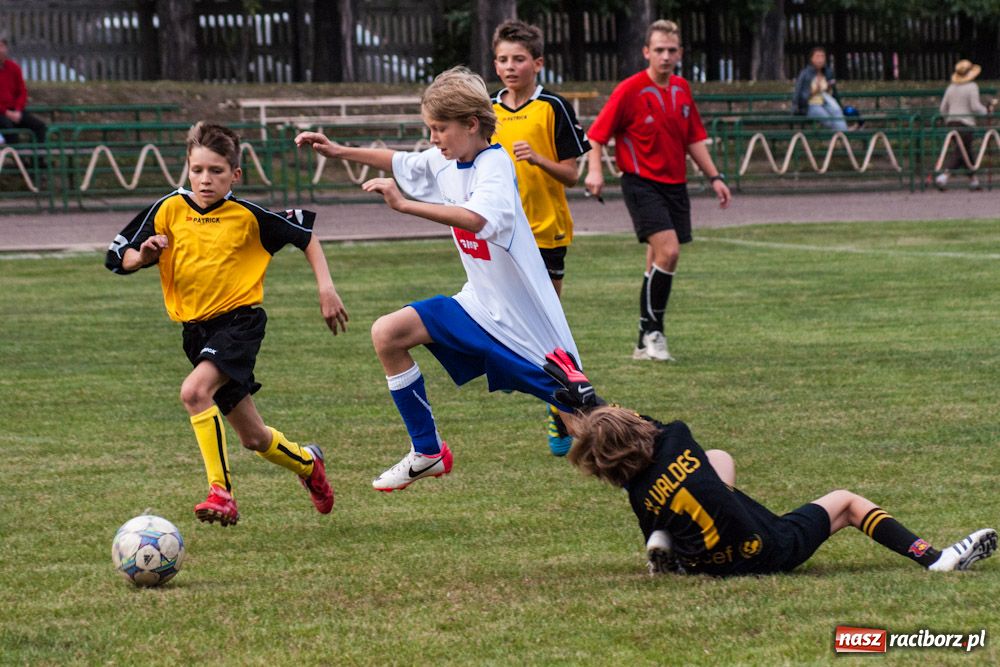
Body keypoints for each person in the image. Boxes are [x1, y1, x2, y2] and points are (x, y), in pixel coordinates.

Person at [295, 66, 584, 492]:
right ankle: (428, 452)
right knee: (388, 334)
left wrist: (405, 207)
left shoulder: (495, 166)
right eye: (429, 128)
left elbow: (475, 217)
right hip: (477, 307)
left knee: (595, 432)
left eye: (439, 129)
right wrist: (338, 152)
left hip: (528, 333)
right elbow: (401, 162)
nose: (433, 139)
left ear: (471, 124)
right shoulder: (448, 158)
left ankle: (670, 474)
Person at [541, 348, 998, 576]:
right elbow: (630, 424)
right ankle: (935, 559)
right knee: (847, 501)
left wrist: (559, 403)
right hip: (767, 548)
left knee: (717, 463)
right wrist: (588, 393)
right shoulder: (676, 438)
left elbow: (604, 439)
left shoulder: (635, 491)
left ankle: (669, 546)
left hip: (706, 563)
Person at [105, 122, 347, 526]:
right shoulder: (169, 209)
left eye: (216, 171)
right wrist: (144, 256)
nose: (205, 179)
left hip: (239, 324)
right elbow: (120, 258)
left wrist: (326, 288)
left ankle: (221, 492)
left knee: (194, 392)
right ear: (187, 168)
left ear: (235, 175)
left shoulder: (248, 216)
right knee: (254, 437)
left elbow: (306, 238)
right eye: (198, 170)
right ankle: (308, 464)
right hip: (196, 333)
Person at [585, 20, 731, 363]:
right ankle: (655, 332)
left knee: (657, 260)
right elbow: (596, 135)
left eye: (671, 51)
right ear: (646, 52)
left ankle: (642, 341)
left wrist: (715, 177)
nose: (666, 57)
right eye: (659, 50)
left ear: (679, 54)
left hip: (675, 185)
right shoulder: (630, 90)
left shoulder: (682, 89)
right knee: (669, 252)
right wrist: (595, 170)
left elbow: (693, 138)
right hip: (640, 183)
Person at [490, 19, 590, 456]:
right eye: (502, 59)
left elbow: (572, 173)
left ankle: (559, 406)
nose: (510, 67)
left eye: (518, 59)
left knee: (551, 330)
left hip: (546, 233)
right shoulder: (486, 109)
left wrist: (539, 160)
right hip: (501, 233)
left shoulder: (553, 107)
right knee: (509, 322)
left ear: (537, 63)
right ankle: (548, 393)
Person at [935, 59, 996, 192]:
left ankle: (974, 181)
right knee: (961, 152)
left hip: (951, 123)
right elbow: (975, 107)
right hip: (966, 123)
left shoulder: (951, 88)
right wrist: (986, 111)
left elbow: (942, 109)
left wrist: (948, 118)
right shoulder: (972, 87)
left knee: (965, 152)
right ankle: (944, 176)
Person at [0, 36, 48, 146]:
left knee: (39, 126)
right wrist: (6, 113)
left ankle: (39, 160)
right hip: (1, 113)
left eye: (2, 46)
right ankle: (19, 160)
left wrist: (17, 110)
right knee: (8, 128)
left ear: (6, 48)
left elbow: (22, 91)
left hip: (14, 110)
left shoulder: (14, 68)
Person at [792, 46, 848, 132]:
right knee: (828, 120)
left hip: (826, 102)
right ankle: (840, 136)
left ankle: (845, 136)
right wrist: (814, 91)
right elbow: (800, 95)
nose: (820, 59)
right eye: (817, 56)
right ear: (811, 59)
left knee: (837, 112)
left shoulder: (828, 72)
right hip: (810, 104)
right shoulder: (805, 74)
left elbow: (832, 92)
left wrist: (830, 87)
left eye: (822, 56)